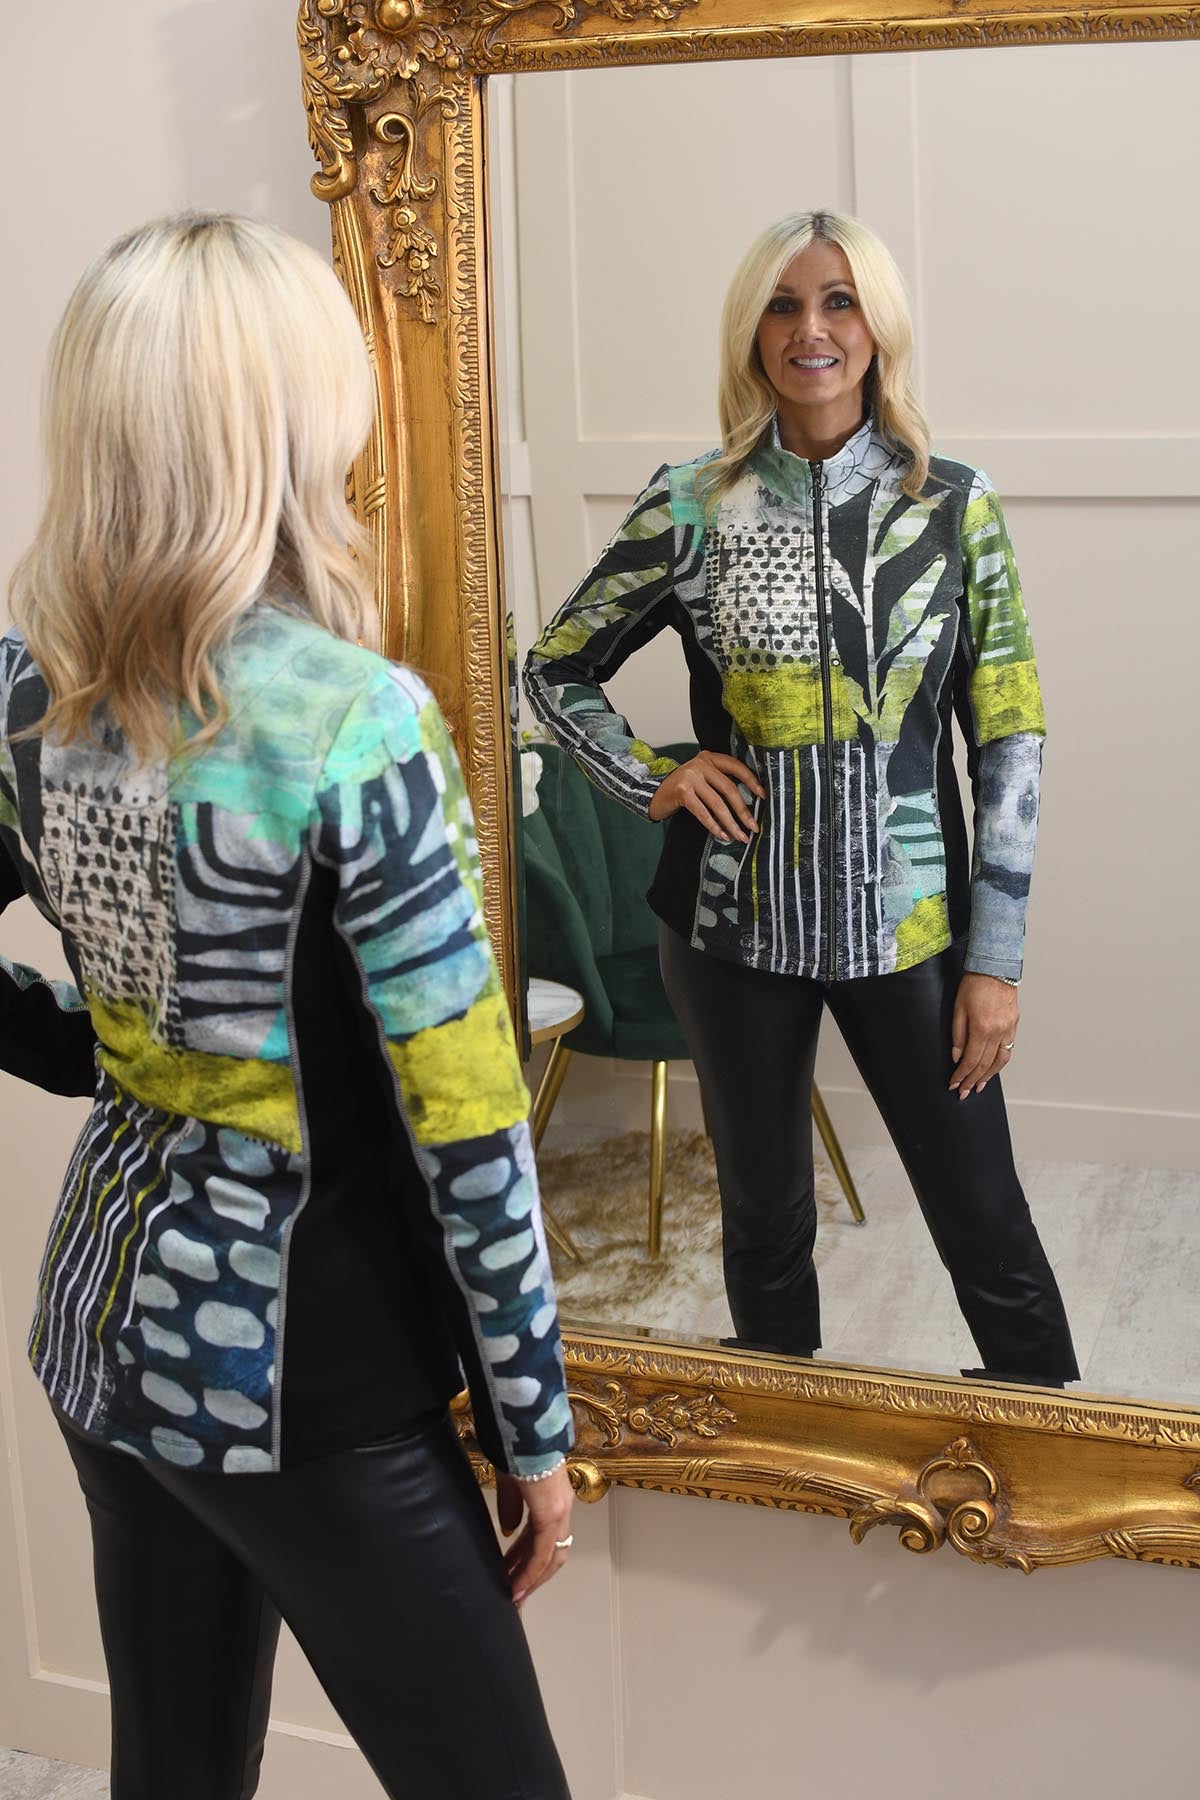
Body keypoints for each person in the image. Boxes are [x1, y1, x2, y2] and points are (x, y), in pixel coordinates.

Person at [0, 213, 575, 1800]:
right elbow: (467, 1124)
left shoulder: (25, 682)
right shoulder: (352, 721)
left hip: (105, 1335)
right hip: (306, 1382)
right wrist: (534, 1427)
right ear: (288, 417)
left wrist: (98, 1050)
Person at [525, 209, 1078, 1388]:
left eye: (837, 302)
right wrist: (655, 775)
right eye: (781, 305)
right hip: (728, 929)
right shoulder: (692, 502)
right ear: (750, 332)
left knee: (985, 1220)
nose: (809, 330)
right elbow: (554, 665)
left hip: (910, 927)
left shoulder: (953, 505)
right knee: (765, 1220)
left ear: (878, 329)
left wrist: (996, 958)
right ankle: (779, 1451)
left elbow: (1010, 735)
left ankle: (1054, 1441)